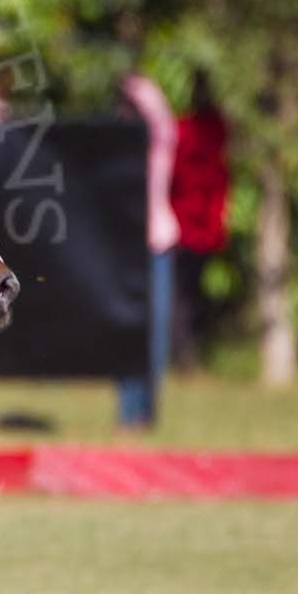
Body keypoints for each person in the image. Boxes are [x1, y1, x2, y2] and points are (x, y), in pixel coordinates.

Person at [117, 69, 178, 429]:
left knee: (154, 333)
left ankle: (146, 412)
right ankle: (127, 412)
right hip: (122, 248)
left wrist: (141, 89)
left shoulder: (156, 147)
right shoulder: (116, 152)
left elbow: (163, 124)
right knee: (123, 330)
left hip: (156, 245)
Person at [170, 69, 230, 371]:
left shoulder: (195, 129)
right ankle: (183, 355)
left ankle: (186, 354)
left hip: (196, 228)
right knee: (186, 296)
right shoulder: (200, 129)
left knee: (187, 296)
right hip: (190, 227)